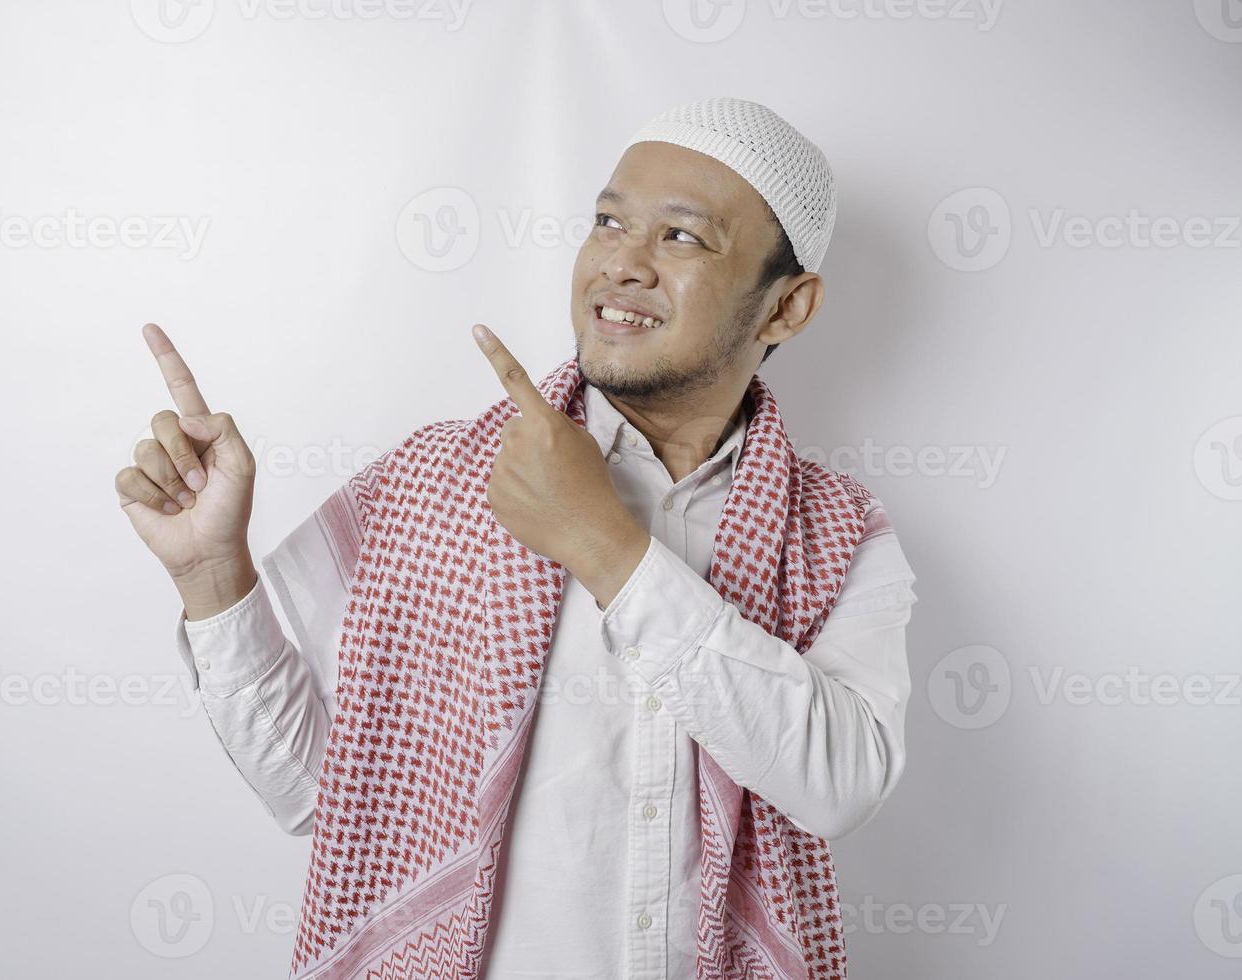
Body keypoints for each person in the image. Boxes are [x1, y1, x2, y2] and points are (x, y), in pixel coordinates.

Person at [116, 97, 918, 980]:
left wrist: (603, 542)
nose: (624, 264)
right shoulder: (434, 481)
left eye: (682, 238)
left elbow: (840, 783)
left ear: (787, 309)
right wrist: (212, 573)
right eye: (609, 223)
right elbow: (316, 793)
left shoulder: (837, 531)